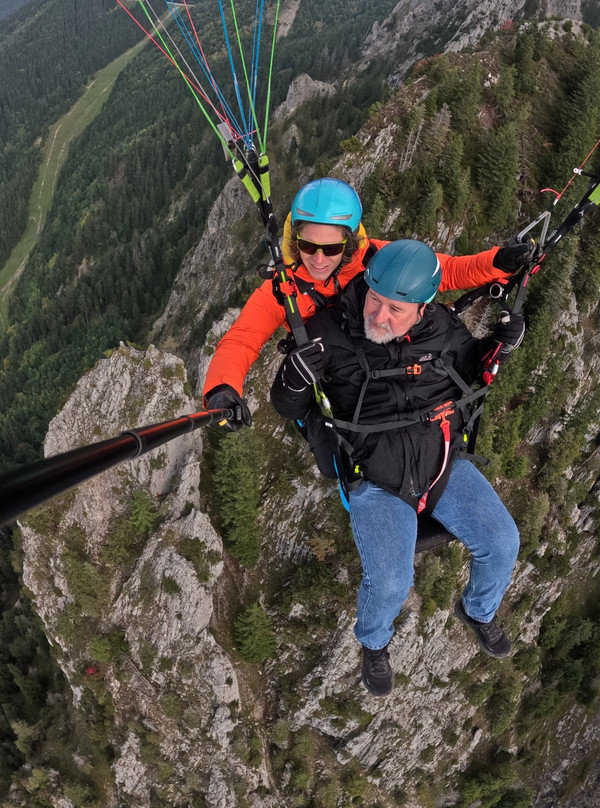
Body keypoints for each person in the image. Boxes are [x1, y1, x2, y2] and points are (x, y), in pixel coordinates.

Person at [270, 239, 523, 697]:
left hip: (439, 460)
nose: (379, 317)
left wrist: (499, 348)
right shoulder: (328, 333)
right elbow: (291, 408)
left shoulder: (443, 329)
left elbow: (472, 370)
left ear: (423, 307)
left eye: (396, 310)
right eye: (375, 300)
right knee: (391, 580)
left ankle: (479, 611)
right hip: (375, 472)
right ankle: (374, 642)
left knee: (503, 542)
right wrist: (292, 379)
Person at [203, 177, 533, 425]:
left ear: (348, 243)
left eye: (331, 249)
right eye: (308, 246)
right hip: (331, 374)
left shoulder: (372, 256)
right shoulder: (284, 287)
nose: (318, 260)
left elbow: (442, 272)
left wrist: (497, 263)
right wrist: (223, 387)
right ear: (295, 240)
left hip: (373, 361)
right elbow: (243, 339)